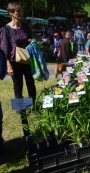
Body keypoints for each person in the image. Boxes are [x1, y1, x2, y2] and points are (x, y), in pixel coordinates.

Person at [0, 2, 37, 137]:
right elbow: (5, 49)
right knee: (18, 87)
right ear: (11, 13)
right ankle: (21, 111)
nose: (20, 14)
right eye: (18, 12)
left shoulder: (26, 27)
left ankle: (34, 106)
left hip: (27, 60)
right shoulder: (5, 29)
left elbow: (30, 39)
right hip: (15, 63)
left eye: (21, 11)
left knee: (31, 83)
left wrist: (32, 41)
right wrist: (8, 65)